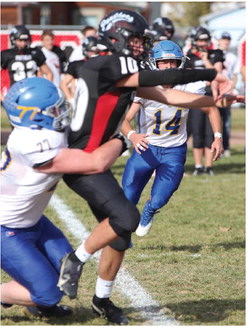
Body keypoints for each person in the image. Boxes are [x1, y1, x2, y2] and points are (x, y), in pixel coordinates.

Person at [38, 9, 236, 325]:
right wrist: (212, 74)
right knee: (125, 217)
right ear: (117, 36)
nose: (141, 46)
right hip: (81, 160)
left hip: (98, 160)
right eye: (136, 39)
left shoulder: (116, 70)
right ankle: (72, 261)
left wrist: (214, 102)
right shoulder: (110, 64)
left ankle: (100, 299)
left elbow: (169, 95)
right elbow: (166, 78)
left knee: (120, 232)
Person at [0, 77, 125, 318]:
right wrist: (122, 140)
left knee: (65, 269)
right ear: (34, 115)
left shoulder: (37, 132)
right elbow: (95, 162)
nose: (61, 112)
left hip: (32, 221)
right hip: (5, 229)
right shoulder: (34, 142)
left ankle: (35, 301)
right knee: (49, 292)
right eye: (54, 109)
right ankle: (23, 297)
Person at [121, 40, 224, 237]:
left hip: (173, 151)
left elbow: (211, 107)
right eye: (163, 62)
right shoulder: (145, 86)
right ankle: (122, 234)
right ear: (154, 63)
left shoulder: (191, 86)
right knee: (127, 199)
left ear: (180, 64)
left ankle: (150, 210)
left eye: (173, 62)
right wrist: (132, 135)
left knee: (160, 199)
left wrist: (218, 137)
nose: (168, 67)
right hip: (145, 149)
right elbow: (124, 119)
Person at [185, 26, 225, 176]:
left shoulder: (216, 54)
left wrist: (205, 60)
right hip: (196, 98)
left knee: (210, 133)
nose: (203, 43)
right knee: (197, 131)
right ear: (195, 41)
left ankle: (208, 166)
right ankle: (197, 166)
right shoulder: (189, 56)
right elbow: (187, 78)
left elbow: (217, 74)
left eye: (205, 40)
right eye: (200, 40)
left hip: (212, 98)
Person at [1, 25, 53, 100]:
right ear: (13, 40)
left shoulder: (35, 52)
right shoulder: (7, 54)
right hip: (15, 94)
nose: (23, 43)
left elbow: (49, 73)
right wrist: (2, 96)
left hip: (33, 93)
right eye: (20, 40)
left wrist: (46, 90)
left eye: (25, 40)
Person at [217, 31, 240, 157]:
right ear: (219, 40)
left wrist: (231, 88)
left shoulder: (232, 57)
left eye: (228, 39)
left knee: (226, 121)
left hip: (226, 93)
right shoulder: (214, 54)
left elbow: (235, 75)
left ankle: (226, 147)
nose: (226, 41)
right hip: (215, 92)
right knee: (214, 119)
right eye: (223, 39)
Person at [60, 36, 99, 102]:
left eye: (95, 51)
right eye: (91, 51)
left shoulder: (102, 64)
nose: (93, 54)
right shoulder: (77, 65)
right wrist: (71, 99)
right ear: (85, 50)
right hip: (81, 99)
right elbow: (64, 84)